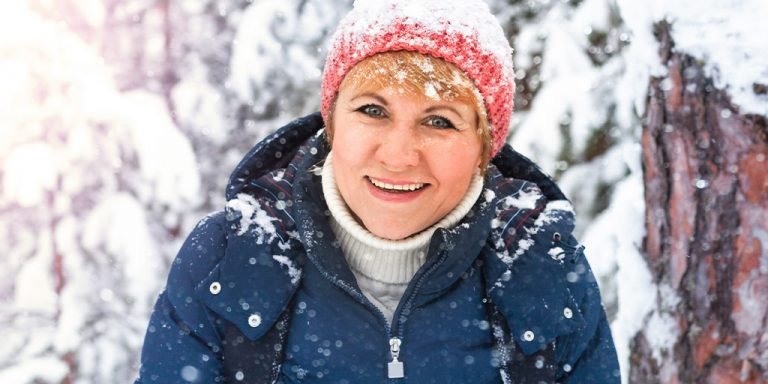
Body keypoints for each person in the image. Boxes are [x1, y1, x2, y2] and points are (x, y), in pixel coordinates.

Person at [135, 0, 620, 383]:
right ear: (330, 124)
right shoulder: (230, 257)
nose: (399, 155)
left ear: (483, 149)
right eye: (372, 110)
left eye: (439, 120)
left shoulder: (541, 268)